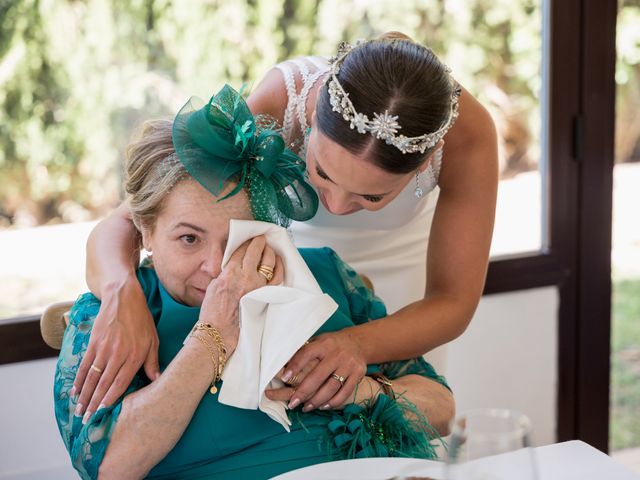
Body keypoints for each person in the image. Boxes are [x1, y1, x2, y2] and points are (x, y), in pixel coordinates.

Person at [75, 32, 497, 419]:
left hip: (405, 292)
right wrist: (120, 291)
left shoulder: (468, 136)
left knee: (402, 421)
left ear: (425, 161)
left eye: (372, 197)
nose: (333, 203)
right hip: (293, 271)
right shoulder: (276, 102)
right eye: (322, 173)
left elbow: (453, 302)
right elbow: (130, 217)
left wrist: (357, 343)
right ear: (311, 117)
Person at [54, 86, 454, 479]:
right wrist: (213, 337)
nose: (215, 267)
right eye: (189, 238)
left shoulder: (324, 273)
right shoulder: (113, 317)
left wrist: (361, 392)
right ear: (145, 229)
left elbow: (441, 409)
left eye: (237, 237)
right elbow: (110, 467)